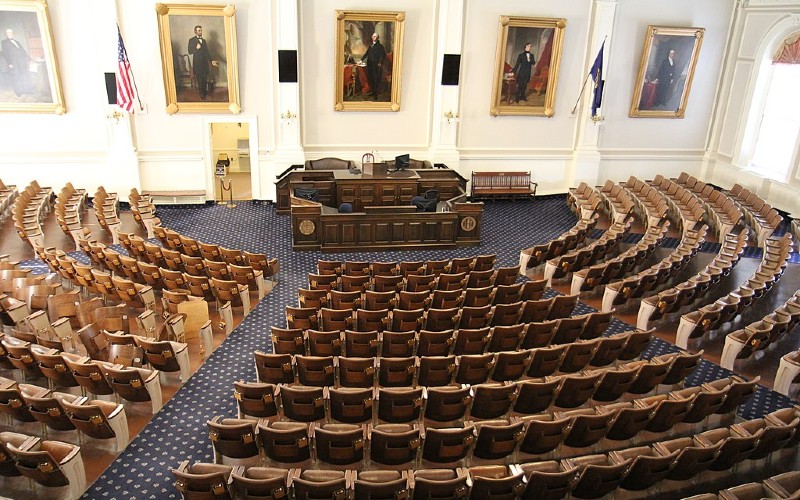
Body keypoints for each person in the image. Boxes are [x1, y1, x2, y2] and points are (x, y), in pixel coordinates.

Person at [187, 25, 218, 100]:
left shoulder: (204, 41)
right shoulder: (191, 40)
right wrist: (196, 48)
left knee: (204, 79)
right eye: (198, 30)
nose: (200, 32)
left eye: (201, 30)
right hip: (197, 64)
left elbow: (207, 52)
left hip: (205, 63)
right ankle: (202, 94)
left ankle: (204, 92)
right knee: (200, 80)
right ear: (195, 31)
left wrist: (211, 61)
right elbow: (190, 51)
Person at [1, 28, 32, 97]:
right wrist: (9, 63)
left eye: (11, 33)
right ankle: (18, 92)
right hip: (13, 63)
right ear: (6, 35)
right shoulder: (4, 42)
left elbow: (23, 51)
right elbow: (5, 53)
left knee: (23, 76)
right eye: (8, 33)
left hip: (22, 62)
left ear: (13, 34)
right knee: (16, 77)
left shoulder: (17, 42)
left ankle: (25, 89)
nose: (10, 34)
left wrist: (29, 59)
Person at [362, 33, 386, 101]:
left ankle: (375, 94)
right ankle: (372, 92)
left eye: (375, 36)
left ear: (378, 38)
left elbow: (382, 55)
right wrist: (361, 60)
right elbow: (366, 54)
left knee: (375, 79)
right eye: (372, 36)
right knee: (370, 78)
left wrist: (380, 62)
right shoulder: (371, 46)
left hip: (376, 65)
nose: (373, 37)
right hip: (369, 64)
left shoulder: (380, 47)